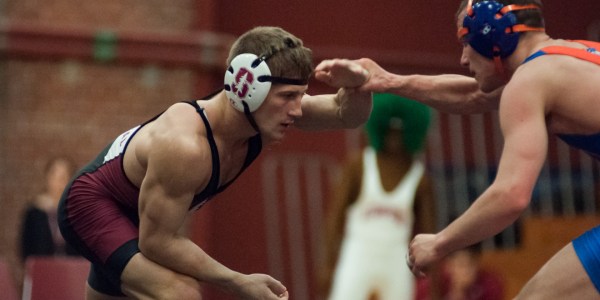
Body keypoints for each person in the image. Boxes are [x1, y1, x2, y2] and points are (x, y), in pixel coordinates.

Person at [57, 26, 372, 299]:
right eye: (288, 97)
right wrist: (237, 282)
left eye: (300, 96)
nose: (298, 110)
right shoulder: (185, 145)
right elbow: (157, 241)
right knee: (179, 293)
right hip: (91, 208)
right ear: (247, 90)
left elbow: (347, 114)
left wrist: (359, 86)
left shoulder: (261, 116)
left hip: (143, 214)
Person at [316, 0, 600, 299]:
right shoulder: (574, 57)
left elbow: (511, 195)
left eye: (466, 42)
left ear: (494, 37)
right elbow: (474, 95)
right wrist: (390, 81)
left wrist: (441, 242)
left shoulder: (531, 81)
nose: (464, 59)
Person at [322, 93, 436, 300]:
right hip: (357, 253)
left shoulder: (420, 179)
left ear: (411, 133)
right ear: (380, 129)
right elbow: (334, 219)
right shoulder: (358, 166)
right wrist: (328, 264)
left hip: (397, 260)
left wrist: (433, 282)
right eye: (390, 131)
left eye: (400, 132)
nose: (394, 138)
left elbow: (430, 233)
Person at [21, 156, 79, 261]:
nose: (61, 183)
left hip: (71, 270)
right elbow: (26, 248)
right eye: (57, 177)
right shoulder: (35, 211)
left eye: (65, 177)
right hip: (43, 269)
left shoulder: (77, 213)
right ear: (48, 178)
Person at [416, 243, 504, 300]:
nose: (466, 271)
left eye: (471, 264)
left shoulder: (490, 284)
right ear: (448, 265)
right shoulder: (430, 285)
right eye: (461, 265)